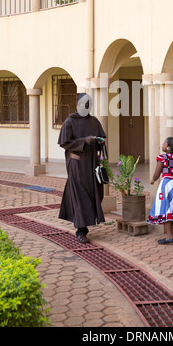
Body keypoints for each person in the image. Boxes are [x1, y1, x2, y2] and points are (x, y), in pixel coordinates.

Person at [58, 93, 106, 243]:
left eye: (89, 104)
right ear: (78, 105)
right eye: (85, 104)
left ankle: (86, 224)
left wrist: (99, 142)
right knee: (79, 195)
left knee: (94, 193)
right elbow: (64, 143)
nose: (88, 106)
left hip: (92, 164)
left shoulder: (94, 121)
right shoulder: (70, 121)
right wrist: (84, 141)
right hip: (77, 163)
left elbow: (101, 139)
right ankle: (81, 230)